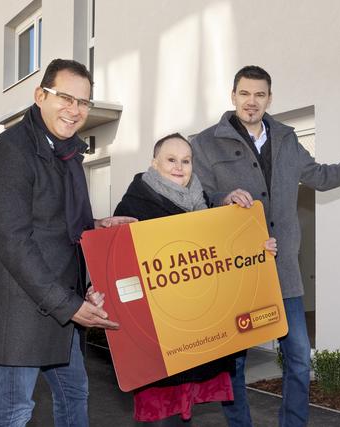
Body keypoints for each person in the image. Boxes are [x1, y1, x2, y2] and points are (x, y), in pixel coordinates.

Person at [191, 65, 340, 427]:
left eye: (259, 94)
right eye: (245, 93)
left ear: (269, 98)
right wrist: (224, 197)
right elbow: (196, 196)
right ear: (233, 96)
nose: (251, 101)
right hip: (237, 272)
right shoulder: (205, 143)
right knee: (234, 363)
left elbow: (322, 176)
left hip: (284, 269)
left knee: (300, 357)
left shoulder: (287, 139)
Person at [0, 58, 134, 427]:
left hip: (61, 313)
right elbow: (14, 241)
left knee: (74, 396)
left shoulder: (67, 154)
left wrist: (95, 225)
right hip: (22, 314)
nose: (75, 110)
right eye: (65, 97)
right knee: (13, 413)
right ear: (40, 95)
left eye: (83, 102)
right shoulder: (9, 153)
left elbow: (56, 225)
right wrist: (69, 305)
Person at [113, 133, 277, 426]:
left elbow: (226, 259)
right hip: (160, 339)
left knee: (185, 416)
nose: (179, 167)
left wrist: (258, 250)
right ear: (154, 163)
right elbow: (119, 273)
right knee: (162, 418)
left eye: (186, 161)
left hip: (196, 335)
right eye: (171, 160)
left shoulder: (201, 206)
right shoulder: (133, 208)